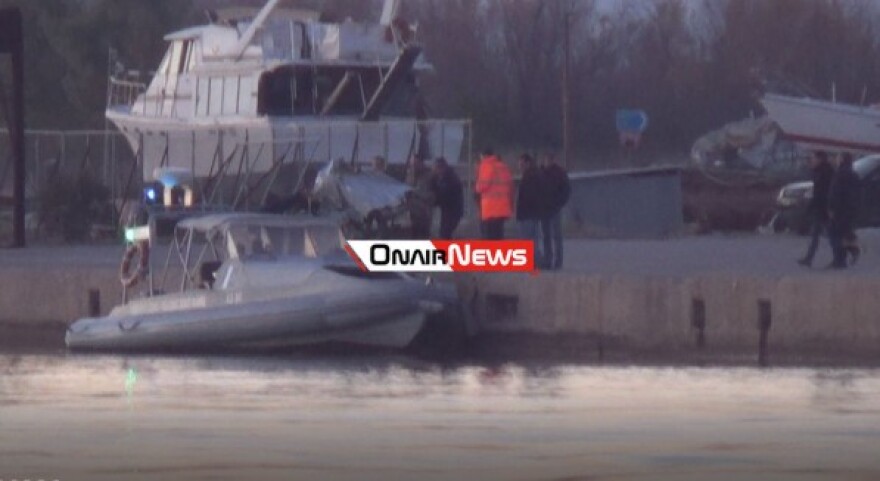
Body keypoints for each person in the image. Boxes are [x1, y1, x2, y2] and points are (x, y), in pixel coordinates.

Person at [798, 151, 834, 268]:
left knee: (827, 233)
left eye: (813, 158)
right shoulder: (821, 171)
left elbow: (822, 192)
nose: (811, 160)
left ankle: (840, 256)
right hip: (821, 207)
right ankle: (809, 258)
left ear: (820, 159)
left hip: (822, 207)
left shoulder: (825, 172)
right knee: (821, 233)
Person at [828, 152, 860, 269]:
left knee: (833, 233)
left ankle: (842, 258)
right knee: (843, 232)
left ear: (842, 160)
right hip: (849, 209)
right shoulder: (854, 174)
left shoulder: (840, 174)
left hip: (839, 209)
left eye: (838, 157)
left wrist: (831, 208)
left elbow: (835, 193)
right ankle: (846, 255)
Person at [475, 148, 513, 240]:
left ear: (484, 156)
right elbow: (510, 187)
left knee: (489, 239)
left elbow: (481, 187)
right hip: (502, 209)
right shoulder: (503, 167)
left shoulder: (486, 166)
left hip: (490, 210)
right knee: (499, 236)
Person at [540, 153, 570, 270]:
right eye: (546, 159)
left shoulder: (559, 173)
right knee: (546, 235)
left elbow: (566, 190)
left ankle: (558, 261)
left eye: (549, 159)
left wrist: (559, 203)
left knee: (556, 235)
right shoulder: (541, 172)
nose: (547, 161)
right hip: (544, 209)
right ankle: (548, 260)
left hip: (554, 208)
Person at [516, 154, 546, 265]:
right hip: (533, 213)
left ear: (527, 163)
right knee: (533, 239)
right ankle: (535, 261)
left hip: (527, 213)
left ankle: (531, 261)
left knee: (527, 239)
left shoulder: (529, 177)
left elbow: (528, 196)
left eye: (522, 164)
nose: (520, 166)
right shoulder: (535, 174)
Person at [430, 157, 464, 239]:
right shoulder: (440, 178)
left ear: (442, 168)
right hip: (446, 210)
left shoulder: (451, 179)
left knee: (445, 233)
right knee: (444, 233)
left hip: (454, 210)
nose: (435, 171)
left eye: (437, 168)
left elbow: (448, 195)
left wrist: (435, 201)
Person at [406, 155, 435, 239]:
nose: (414, 166)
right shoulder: (410, 174)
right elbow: (407, 187)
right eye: (412, 164)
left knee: (424, 232)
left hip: (424, 208)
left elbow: (434, 191)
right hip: (413, 207)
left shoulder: (430, 175)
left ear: (421, 163)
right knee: (414, 230)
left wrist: (428, 200)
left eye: (416, 163)